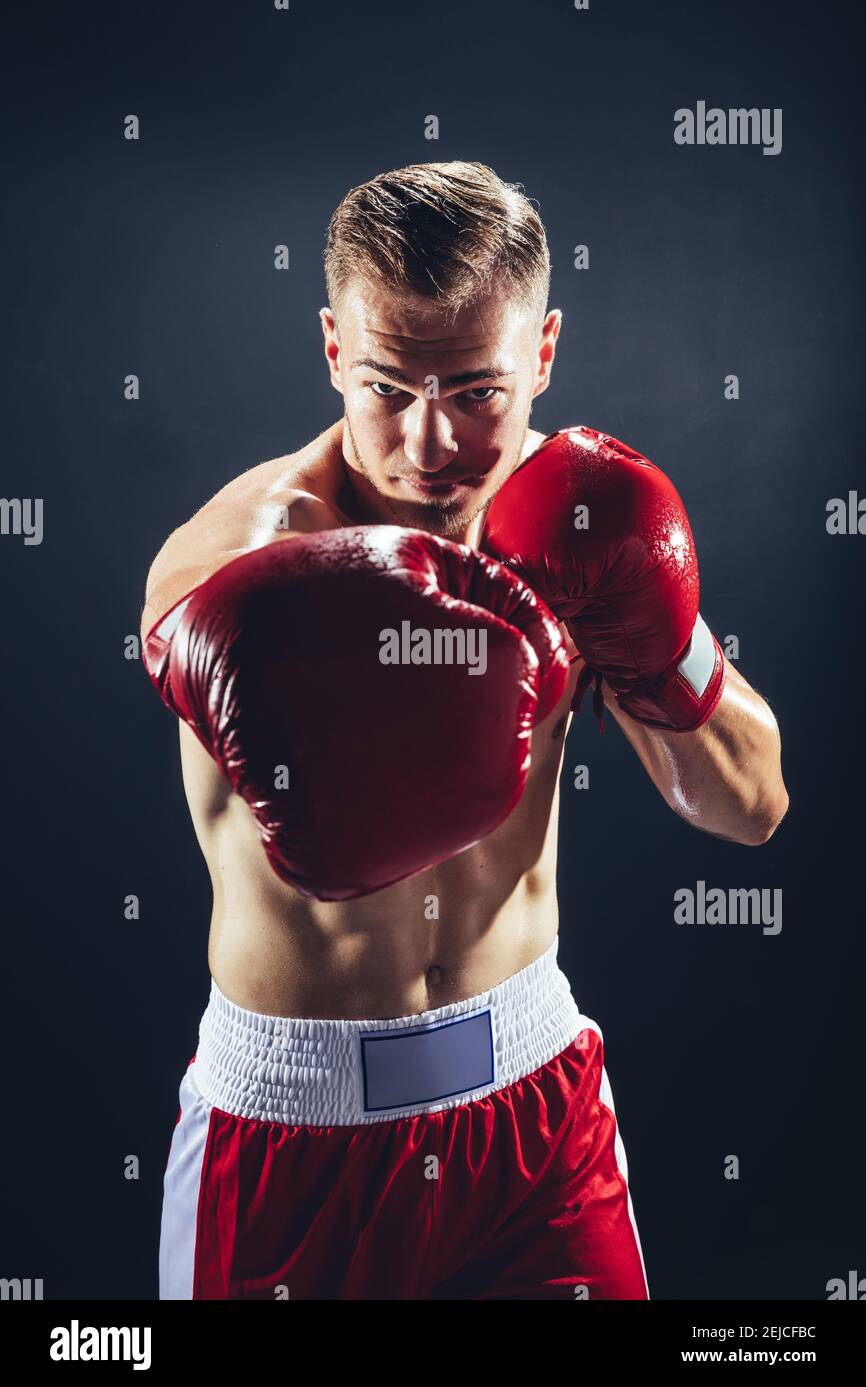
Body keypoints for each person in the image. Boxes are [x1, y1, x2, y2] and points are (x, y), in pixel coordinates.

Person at [142, 160, 788, 1300]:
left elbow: (748, 806)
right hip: (297, 1140)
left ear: (541, 354)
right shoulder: (254, 558)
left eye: (476, 391)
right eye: (387, 386)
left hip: (534, 1114)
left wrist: (658, 629)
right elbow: (184, 608)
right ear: (334, 352)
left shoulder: (577, 533)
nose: (429, 443)